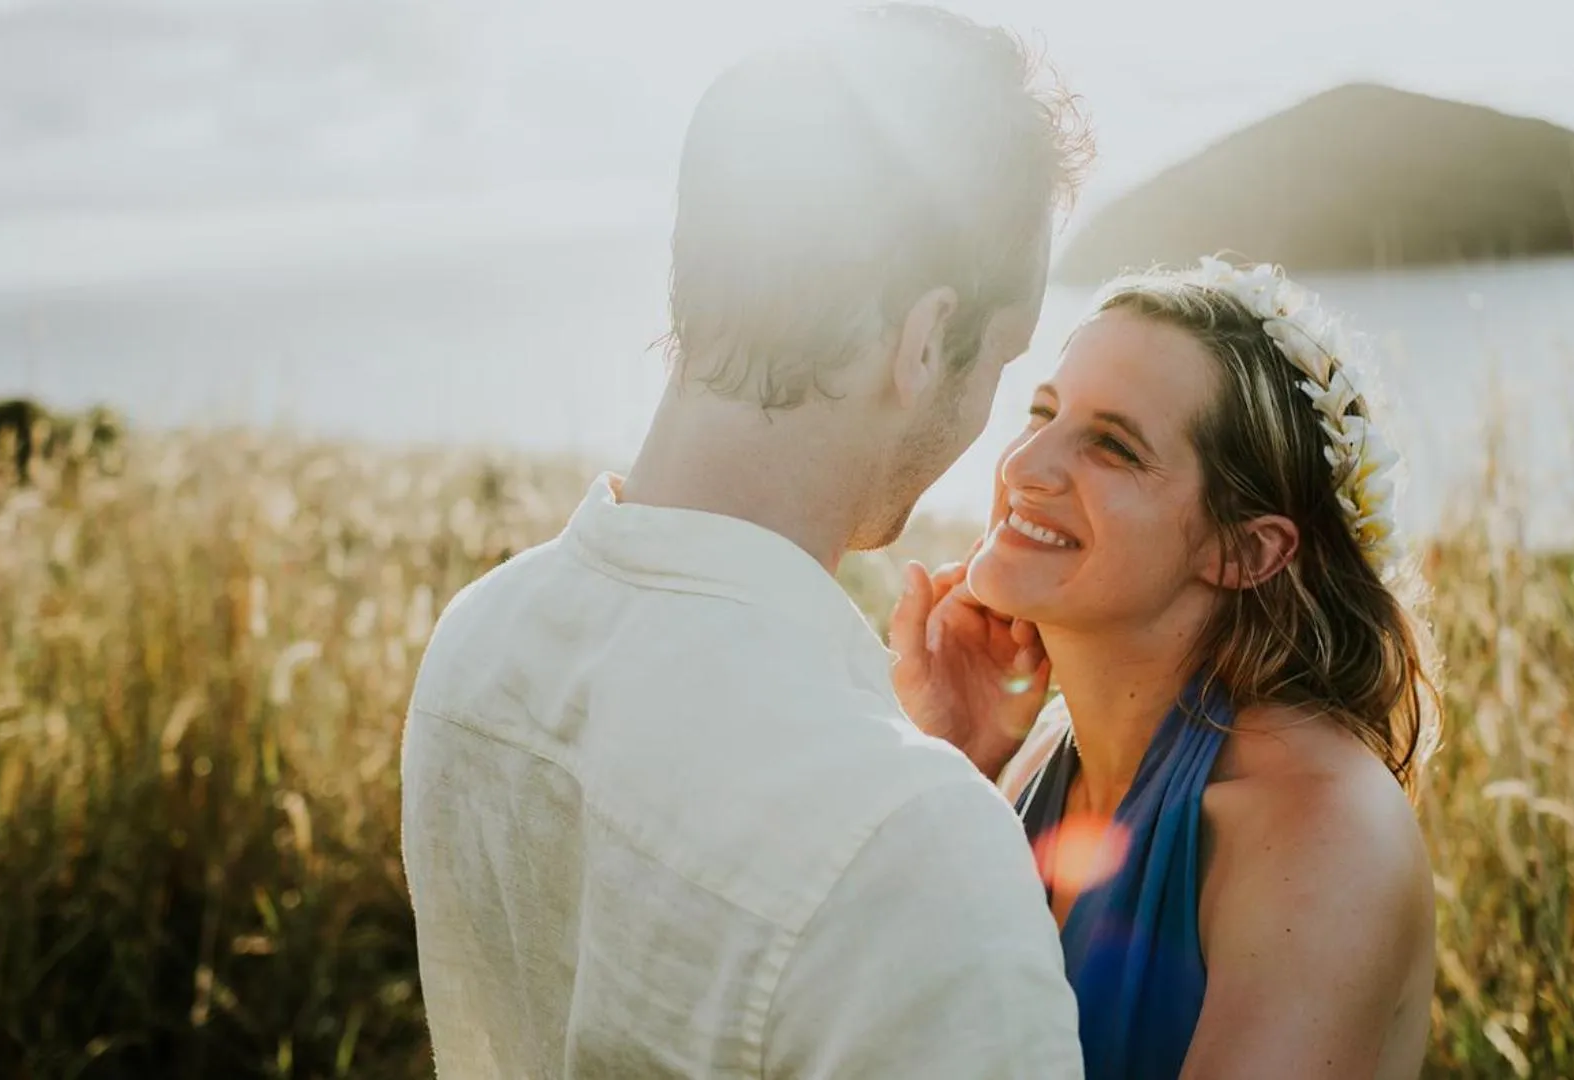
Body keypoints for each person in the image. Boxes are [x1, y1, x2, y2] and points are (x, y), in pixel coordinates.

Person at [400, 7, 1093, 1077]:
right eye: (1000, 362)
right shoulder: (916, 845)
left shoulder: (476, 643)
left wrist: (930, 766)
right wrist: (926, 811)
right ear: (922, 343)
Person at [892, 258, 1442, 1079]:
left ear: (1246, 550)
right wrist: (956, 760)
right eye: (1043, 412)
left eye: (1112, 446)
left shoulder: (1322, 834)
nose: (1023, 467)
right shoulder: (1029, 763)